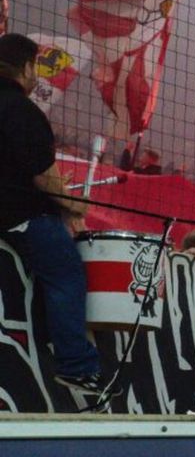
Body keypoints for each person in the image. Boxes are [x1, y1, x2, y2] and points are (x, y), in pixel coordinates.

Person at [0, 34, 104, 395]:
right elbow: (43, 177)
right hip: (22, 216)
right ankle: (77, 366)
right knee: (67, 276)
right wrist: (74, 205)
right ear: (27, 67)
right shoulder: (22, 111)